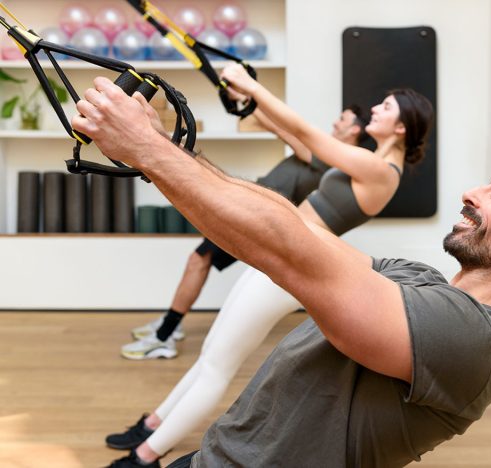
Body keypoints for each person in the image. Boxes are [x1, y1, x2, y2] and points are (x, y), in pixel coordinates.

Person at [73, 74, 491, 467]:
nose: (471, 193)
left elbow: (285, 246)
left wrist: (147, 149)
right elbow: (295, 227)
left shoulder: (471, 342)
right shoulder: (417, 281)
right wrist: (163, 148)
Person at [103, 64, 434, 467]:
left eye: (386, 107)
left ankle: (144, 457)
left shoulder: (382, 171)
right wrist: (251, 101)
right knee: (210, 355)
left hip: (293, 266)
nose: (375, 111)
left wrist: (254, 88)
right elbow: (298, 137)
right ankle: (153, 425)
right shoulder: (363, 159)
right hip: (278, 255)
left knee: (217, 368)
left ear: (402, 128)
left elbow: (309, 133)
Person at [121, 102, 370, 359]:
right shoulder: (329, 156)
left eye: (343, 119)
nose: (336, 123)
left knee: (199, 260)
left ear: (354, 130)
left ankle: (164, 335)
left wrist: (252, 104)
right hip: (248, 206)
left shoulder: (330, 158)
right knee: (200, 259)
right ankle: (169, 324)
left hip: (255, 216)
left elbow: (284, 131)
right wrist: (249, 104)